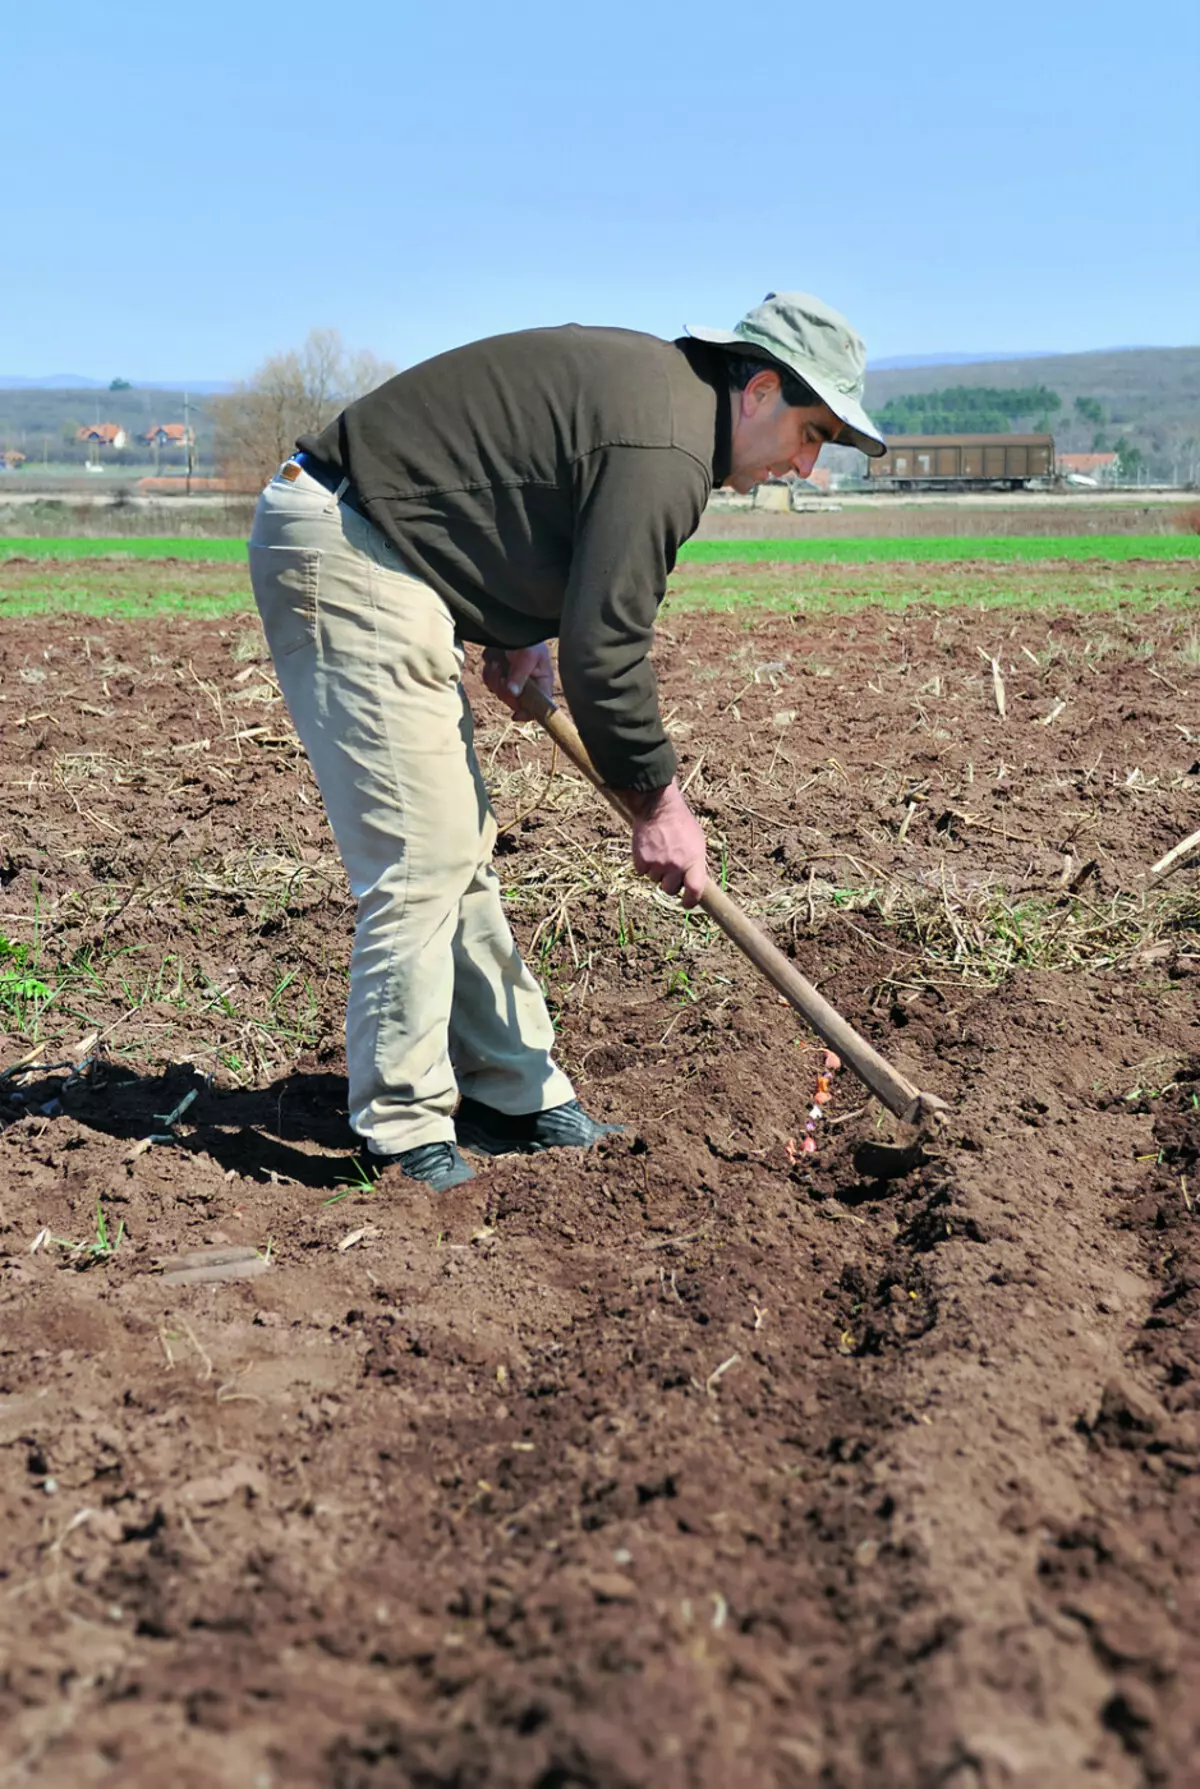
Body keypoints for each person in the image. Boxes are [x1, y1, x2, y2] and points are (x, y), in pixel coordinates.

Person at [247, 291, 886, 1191]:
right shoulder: (665, 444)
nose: (808, 466)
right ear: (760, 391)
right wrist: (659, 805)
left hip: (397, 546)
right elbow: (609, 653)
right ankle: (399, 1128)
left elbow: (516, 488)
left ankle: (514, 1094)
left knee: (455, 849)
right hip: (351, 543)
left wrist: (510, 625)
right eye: (811, 433)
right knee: (420, 855)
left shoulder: (667, 410)